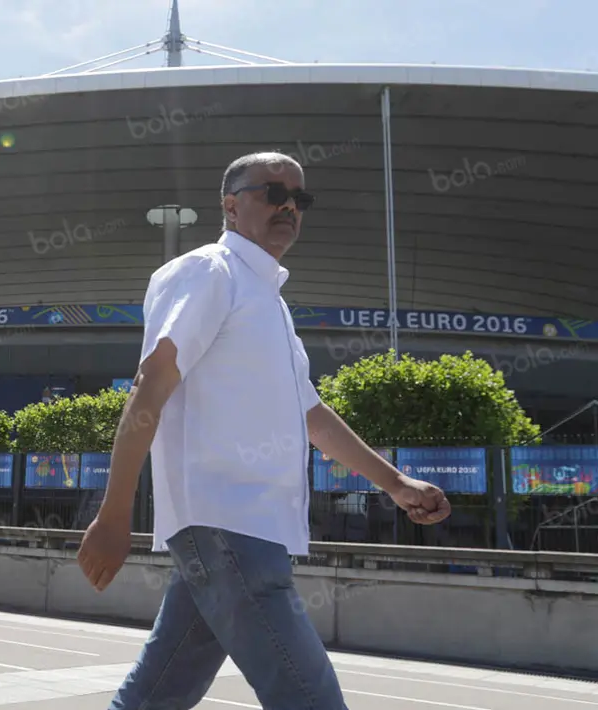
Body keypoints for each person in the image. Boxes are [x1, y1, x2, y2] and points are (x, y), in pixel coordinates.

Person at [77, 152, 452, 709]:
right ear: (230, 205)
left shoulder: (271, 306)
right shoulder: (209, 271)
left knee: (158, 694)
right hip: (227, 528)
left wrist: (396, 483)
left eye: (299, 199)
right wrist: (114, 514)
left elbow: (313, 416)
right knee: (311, 697)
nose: (289, 207)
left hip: (247, 531)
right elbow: (151, 385)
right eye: (273, 192)